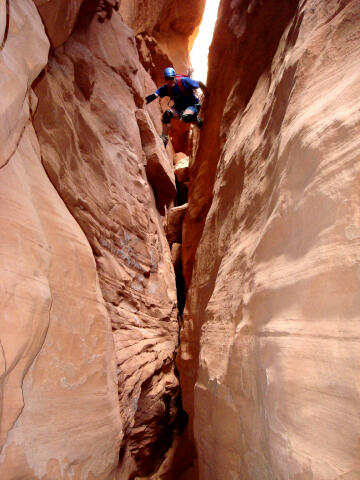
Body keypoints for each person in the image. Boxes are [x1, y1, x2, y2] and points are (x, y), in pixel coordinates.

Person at [145, 67, 209, 147]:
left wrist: (207, 96)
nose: (170, 81)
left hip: (192, 105)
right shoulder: (166, 88)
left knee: (186, 116)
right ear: (165, 79)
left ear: (175, 76)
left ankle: (196, 120)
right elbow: (154, 95)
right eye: (167, 79)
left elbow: (199, 84)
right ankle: (164, 138)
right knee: (167, 114)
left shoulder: (184, 81)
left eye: (171, 78)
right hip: (179, 109)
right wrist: (143, 102)